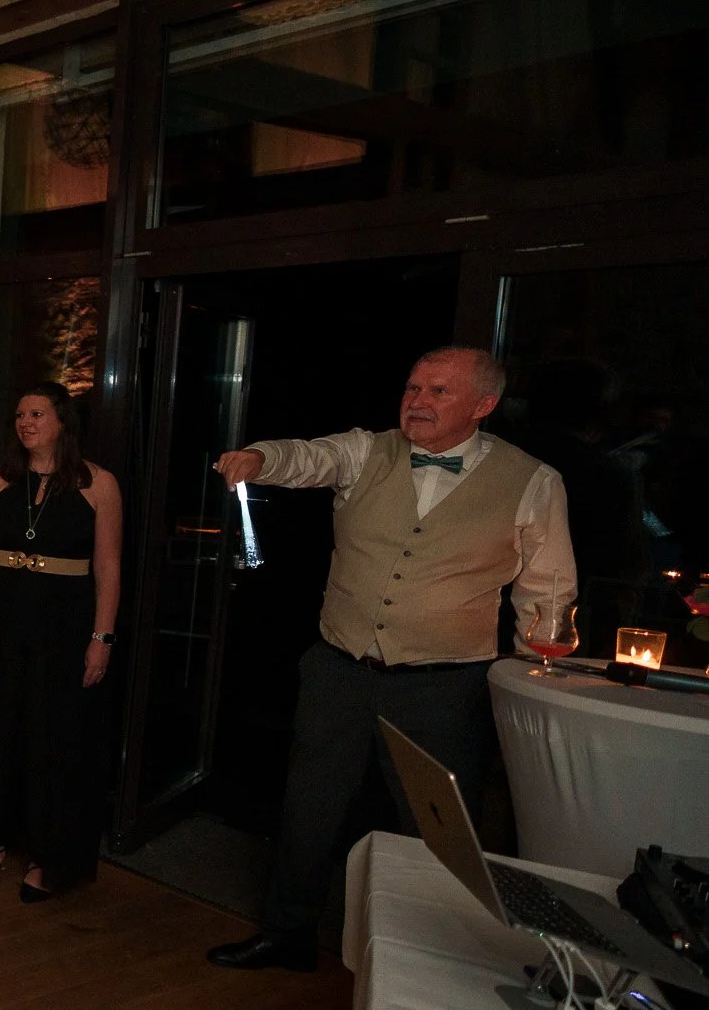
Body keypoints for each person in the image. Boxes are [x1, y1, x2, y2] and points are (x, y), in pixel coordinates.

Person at [208, 347, 576, 972]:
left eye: (438, 391)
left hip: (444, 686)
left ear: (484, 406)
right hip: (339, 669)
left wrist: (527, 681)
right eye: (412, 388)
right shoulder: (366, 451)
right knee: (309, 806)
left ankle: (432, 959)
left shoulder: (534, 481)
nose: (418, 401)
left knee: (436, 826)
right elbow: (306, 456)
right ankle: (287, 933)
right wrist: (260, 458)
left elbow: (547, 593)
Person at [0, 384, 123, 903]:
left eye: (37, 413)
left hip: (64, 621)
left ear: (62, 420)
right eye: (19, 414)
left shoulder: (99, 485)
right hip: (2, 615)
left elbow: (108, 566)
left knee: (52, 733)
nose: (26, 422)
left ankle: (45, 852)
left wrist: (101, 637)